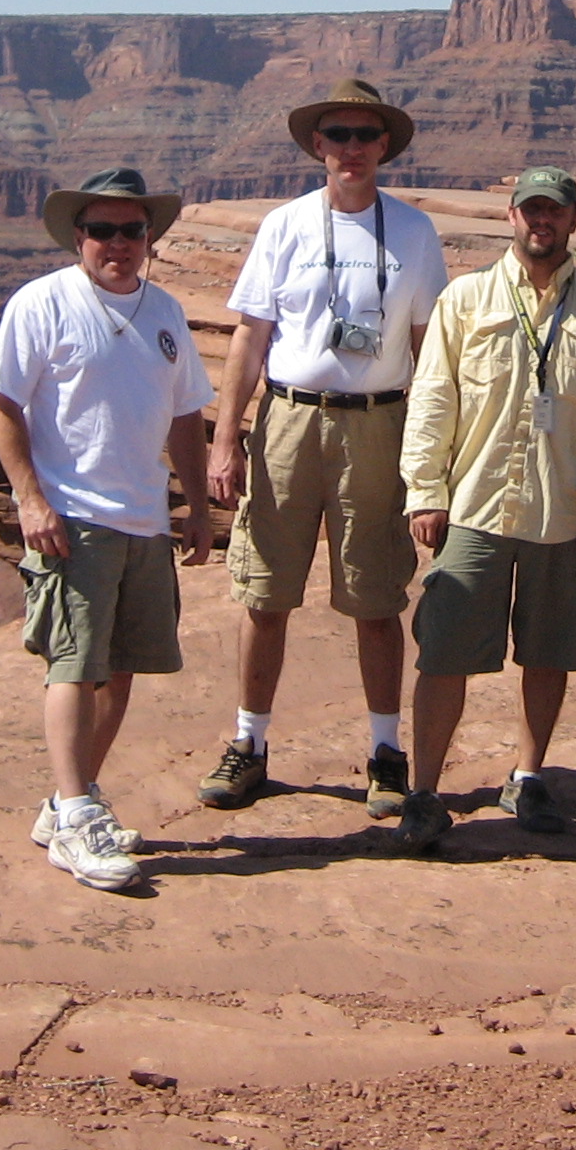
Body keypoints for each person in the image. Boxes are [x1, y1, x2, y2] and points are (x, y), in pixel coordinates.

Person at [201, 79, 450, 817]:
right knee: (265, 592)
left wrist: (435, 456)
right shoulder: (284, 226)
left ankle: (385, 752)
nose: (352, 148)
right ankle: (249, 744)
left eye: (365, 135)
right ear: (317, 145)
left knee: (376, 596)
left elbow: (428, 349)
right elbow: (250, 336)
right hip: (288, 420)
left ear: (384, 146)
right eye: (338, 135)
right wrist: (225, 440)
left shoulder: (414, 232)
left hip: (379, 425)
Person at [396, 167, 576, 851]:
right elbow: (433, 398)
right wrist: (425, 491)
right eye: (531, 208)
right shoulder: (466, 298)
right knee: (443, 651)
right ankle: (424, 791)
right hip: (474, 507)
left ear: (574, 220)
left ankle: (529, 775)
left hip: (562, 512)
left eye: (555, 210)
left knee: (549, 651)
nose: (543, 220)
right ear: (511, 216)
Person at [0, 168, 215, 891]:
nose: (118, 243)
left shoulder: (165, 311)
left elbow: (185, 414)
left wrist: (196, 506)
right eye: (102, 231)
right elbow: (2, 403)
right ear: (77, 237)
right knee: (74, 664)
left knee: (119, 667)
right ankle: (78, 817)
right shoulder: (42, 303)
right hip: (73, 517)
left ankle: (68, 802)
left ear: (149, 237)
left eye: (131, 230)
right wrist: (31, 500)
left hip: (143, 517)